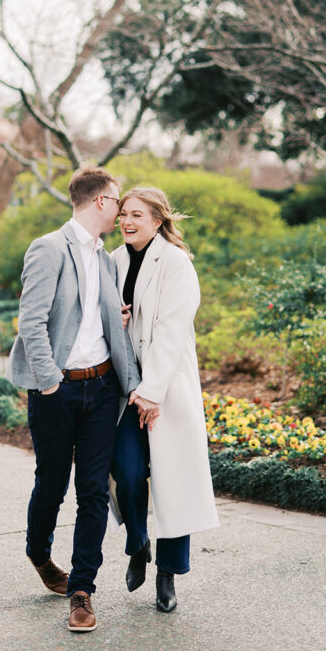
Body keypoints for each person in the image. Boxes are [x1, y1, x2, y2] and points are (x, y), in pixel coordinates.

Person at [7, 165, 141, 633]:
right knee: (52, 483)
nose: (120, 211)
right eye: (117, 201)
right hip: (57, 389)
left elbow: (106, 323)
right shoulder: (48, 248)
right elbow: (31, 321)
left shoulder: (107, 260)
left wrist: (129, 377)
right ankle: (39, 553)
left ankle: (81, 590)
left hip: (102, 388)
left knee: (93, 491)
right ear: (101, 201)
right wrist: (49, 381)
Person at [110, 186, 219, 613]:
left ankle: (167, 574)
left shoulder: (176, 264)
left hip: (166, 390)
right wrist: (116, 322)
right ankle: (138, 544)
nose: (127, 221)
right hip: (125, 390)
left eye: (137, 214)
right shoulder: (112, 261)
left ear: (158, 221)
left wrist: (152, 393)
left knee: (173, 481)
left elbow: (172, 332)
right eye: (123, 213)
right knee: (127, 471)